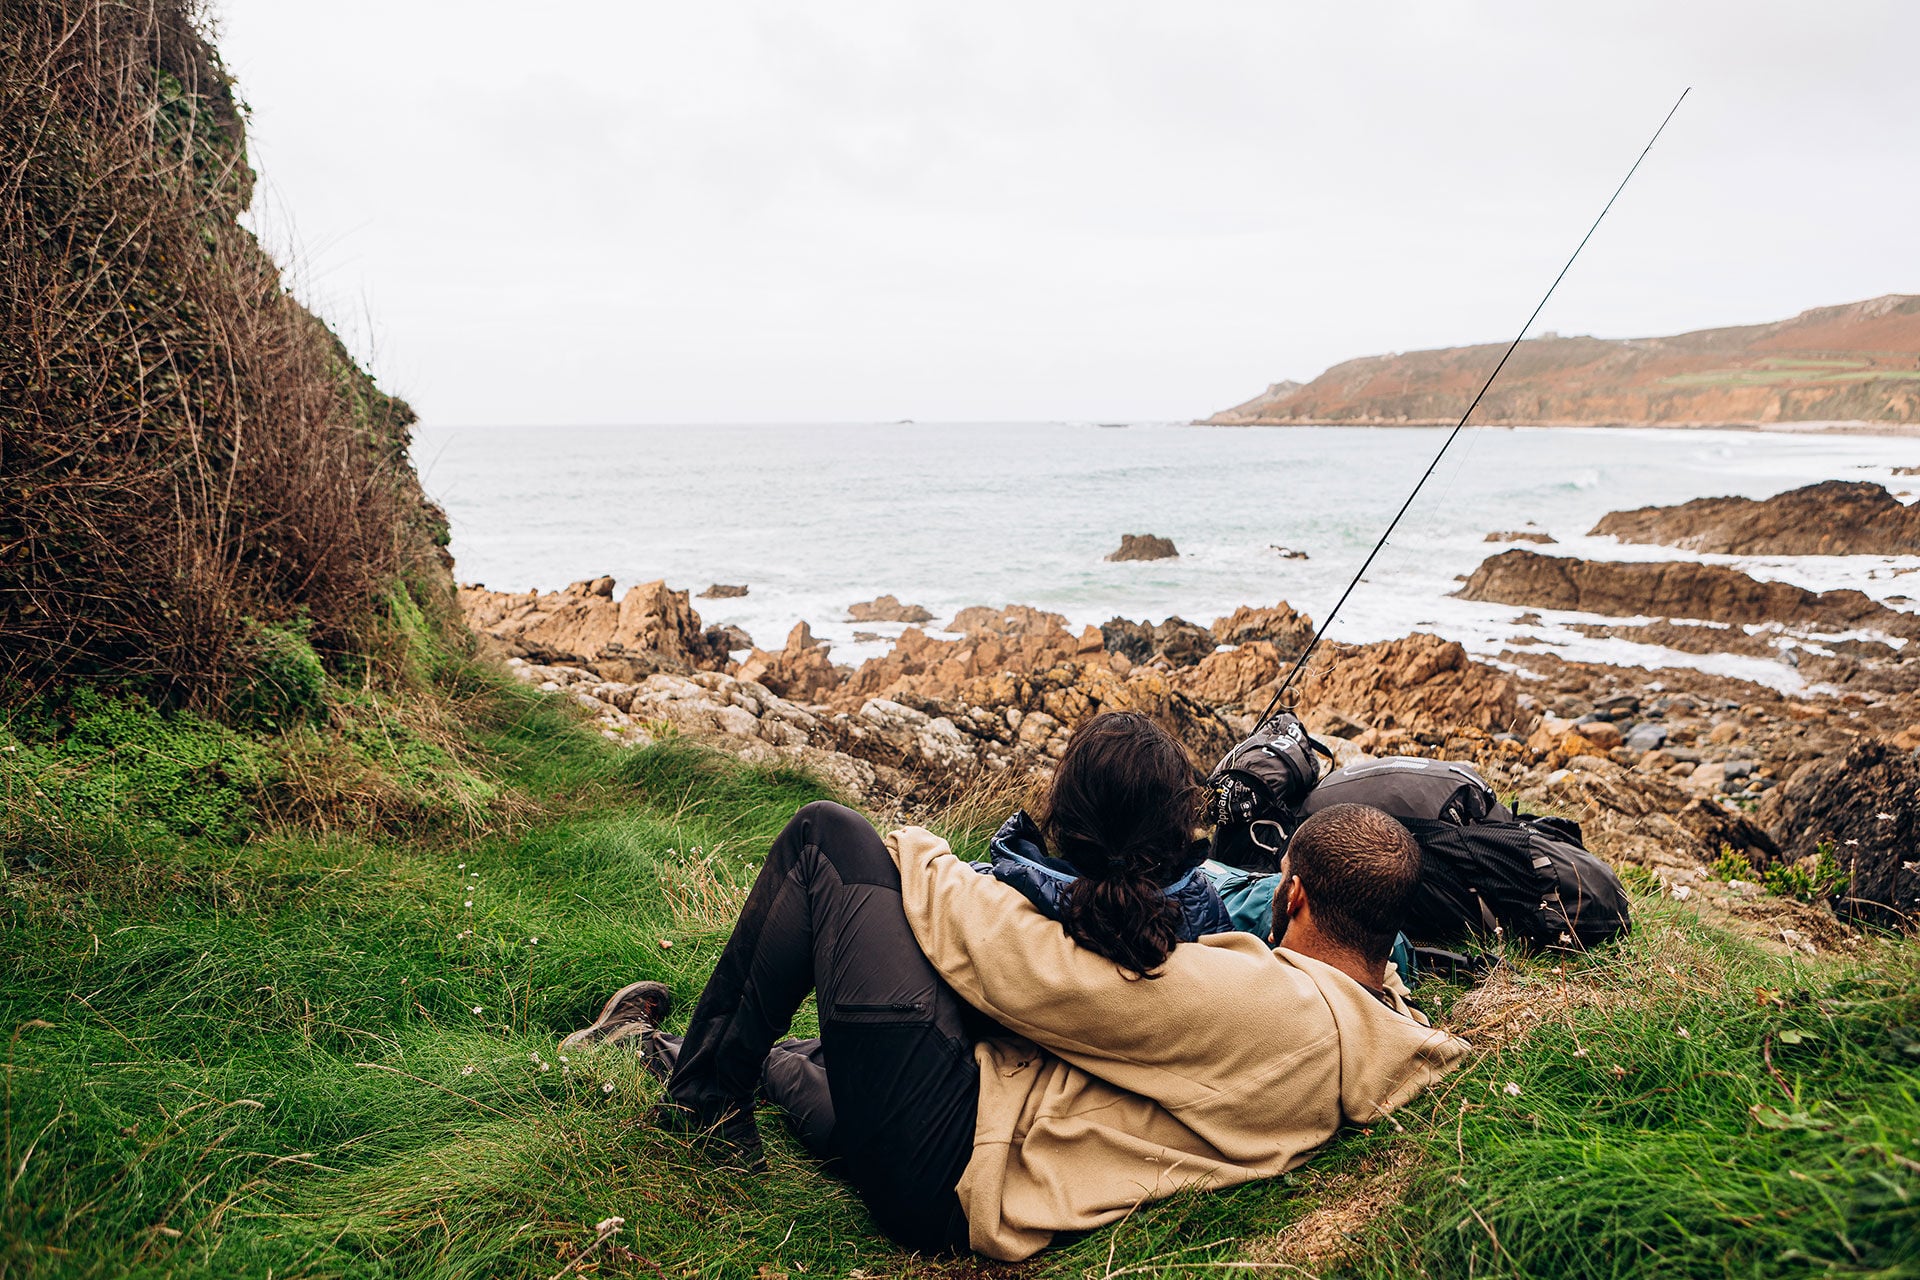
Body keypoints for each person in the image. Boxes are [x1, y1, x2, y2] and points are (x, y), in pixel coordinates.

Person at [565, 712, 1468, 1261]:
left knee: (823, 838)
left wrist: (912, 850)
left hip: (957, 1170)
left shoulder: (1271, 1008)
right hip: (987, 1142)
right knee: (816, 1063)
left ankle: (698, 1112)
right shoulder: (1377, 1019)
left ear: (1295, 892)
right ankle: (670, 1053)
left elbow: (1033, 972)